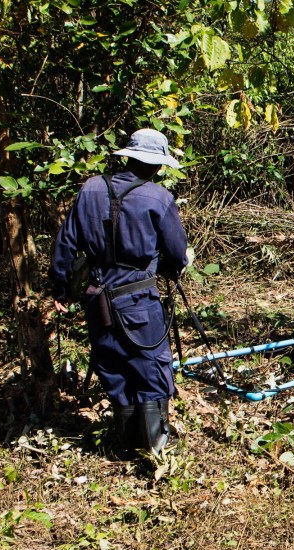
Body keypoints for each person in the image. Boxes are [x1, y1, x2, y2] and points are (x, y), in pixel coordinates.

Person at [51, 129, 190, 456]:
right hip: (139, 299)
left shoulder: (90, 189)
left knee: (113, 367)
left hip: (97, 298)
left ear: (128, 156)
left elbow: (65, 246)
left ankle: (125, 449)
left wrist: (61, 290)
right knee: (151, 368)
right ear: (156, 165)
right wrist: (172, 267)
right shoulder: (158, 197)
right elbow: (177, 251)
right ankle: (155, 453)